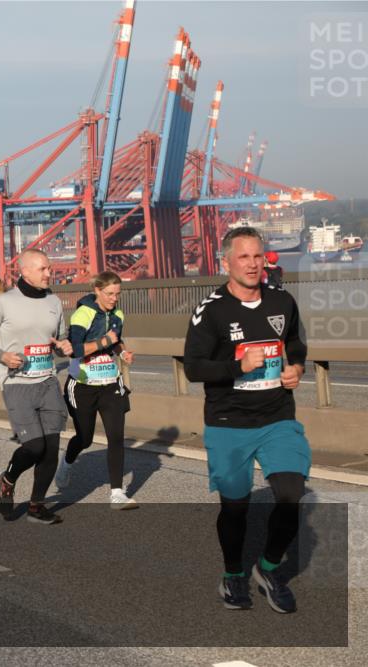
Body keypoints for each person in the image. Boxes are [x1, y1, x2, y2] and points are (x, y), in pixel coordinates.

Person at [184, 227, 309, 614]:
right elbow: (193, 367)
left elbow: (295, 342)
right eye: (244, 257)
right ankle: (233, 572)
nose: (253, 264)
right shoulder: (211, 309)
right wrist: (238, 366)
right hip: (229, 420)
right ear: (226, 262)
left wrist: (298, 368)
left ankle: (268, 569)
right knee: (235, 507)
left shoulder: (282, 300)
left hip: (277, 417)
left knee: (291, 494)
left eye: (258, 256)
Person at [0, 249, 73, 525]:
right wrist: (2, 356)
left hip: (47, 381)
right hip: (17, 383)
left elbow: (60, 341)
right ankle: (8, 479)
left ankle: (36, 505)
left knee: (51, 447)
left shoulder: (55, 302)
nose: (49, 273)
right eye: (43, 269)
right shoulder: (3, 302)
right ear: (26, 271)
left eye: (49, 268)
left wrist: (65, 347)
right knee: (34, 447)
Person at [55, 272, 138, 509]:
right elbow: (75, 350)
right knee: (85, 438)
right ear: (97, 291)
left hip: (110, 382)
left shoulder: (118, 314)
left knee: (116, 437)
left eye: (118, 294)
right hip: (82, 384)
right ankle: (67, 463)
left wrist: (123, 352)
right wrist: (104, 342)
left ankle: (117, 494)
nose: (114, 299)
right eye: (110, 294)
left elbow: (116, 340)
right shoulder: (84, 313)